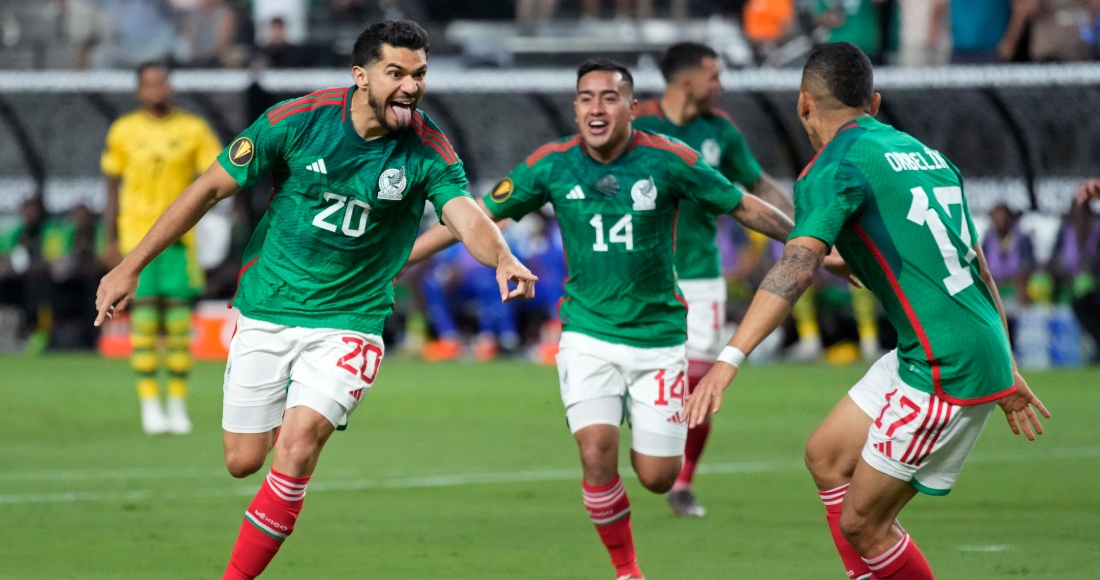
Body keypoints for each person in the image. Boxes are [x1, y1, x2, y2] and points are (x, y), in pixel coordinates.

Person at [94, 20, 536, 580]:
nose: (410, 86)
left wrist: (502, 257)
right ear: (360, 75)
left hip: (350, 321)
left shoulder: (428, 149)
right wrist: (129, 266)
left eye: (419, 74)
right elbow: (207, 187)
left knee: (297, 449)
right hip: (269, 306)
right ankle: (292, 417)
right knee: (242, 461)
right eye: (395, 72)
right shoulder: (296, 122)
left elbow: (465, 214)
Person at [407, 58, 801, 580]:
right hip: (587, 334)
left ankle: (651, 434)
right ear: (575, 108)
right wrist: (399, 257)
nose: (597, 107)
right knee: (596, 451)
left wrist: (812, 248)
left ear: (632, 107)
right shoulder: (551, 164)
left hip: (658, 338)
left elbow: (743, 205)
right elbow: (475, 214)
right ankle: (627, 569)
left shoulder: (671, 160)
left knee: (658, 477)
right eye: (587, 97)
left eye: (609, 97)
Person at [684, 42, 1049, 580]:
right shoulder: (927, 156)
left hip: (943, 364)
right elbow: (978, 268)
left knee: (864, 523)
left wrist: (727, 359)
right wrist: (1006, 361)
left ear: (804, 104)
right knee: (826, 455)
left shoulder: (830, 168)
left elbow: (796, 269)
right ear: (873, 103)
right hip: (947, 346)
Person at [632, 41, 794, 518]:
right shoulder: (637, 124)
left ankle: (682, 482)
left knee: (700, 384)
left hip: (701, 276)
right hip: (640, 274)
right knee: (641, 378)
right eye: (713, 75)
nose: (720, 85)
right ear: (686, 81)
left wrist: (807, 226)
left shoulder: (720, 131)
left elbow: (758, 185)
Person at [101, 61, 224, 436]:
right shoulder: (123, 130)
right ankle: (150, 403)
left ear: (171, 86)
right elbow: (111, 187)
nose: (156, 90)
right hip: (135, 238)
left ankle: (177, 402)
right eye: (149, 84)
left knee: (177, 323)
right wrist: (108, 240)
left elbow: (215, 179)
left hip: (178, 240)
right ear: (139, 91)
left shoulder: (193, 129)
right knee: (143, 322)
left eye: (161, 82)